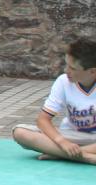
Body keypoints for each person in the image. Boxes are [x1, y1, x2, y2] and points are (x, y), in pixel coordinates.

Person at [12, 37, 96, 165]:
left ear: (92, 72)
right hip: (70, 136)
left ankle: (61, 155)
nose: (66, 71)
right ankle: (85, 157)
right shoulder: (63, 81)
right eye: (66, 65)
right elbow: (42, 120)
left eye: (72, 68)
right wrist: (62, 142)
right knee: (20, 132)